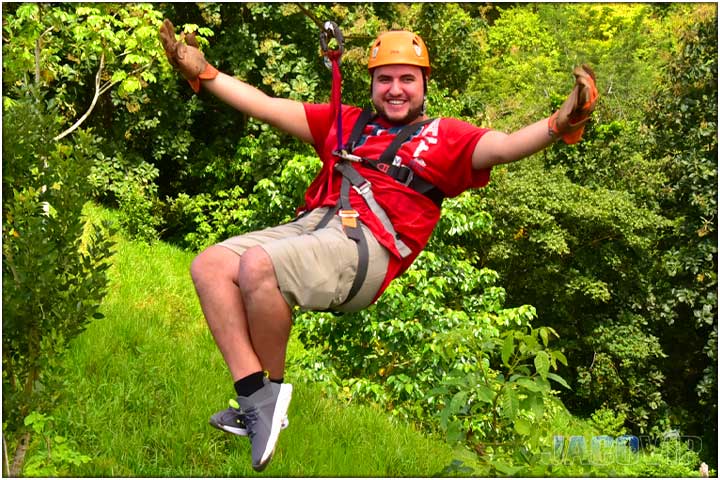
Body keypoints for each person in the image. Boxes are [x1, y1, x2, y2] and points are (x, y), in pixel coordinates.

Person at [159, 19, 597, 472]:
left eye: (407, 79)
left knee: (255, 266)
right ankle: (254, 396)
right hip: (315, 225)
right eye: (384, 79)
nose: (395, 89)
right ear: (371, 84)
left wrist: (561, 121)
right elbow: (266, 105)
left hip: (367, 245)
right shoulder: (346, 123)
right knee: (209, 266)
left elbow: (504, 146)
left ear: (425, 84)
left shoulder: (444, 137)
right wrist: (205, 72)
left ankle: (269, 395)